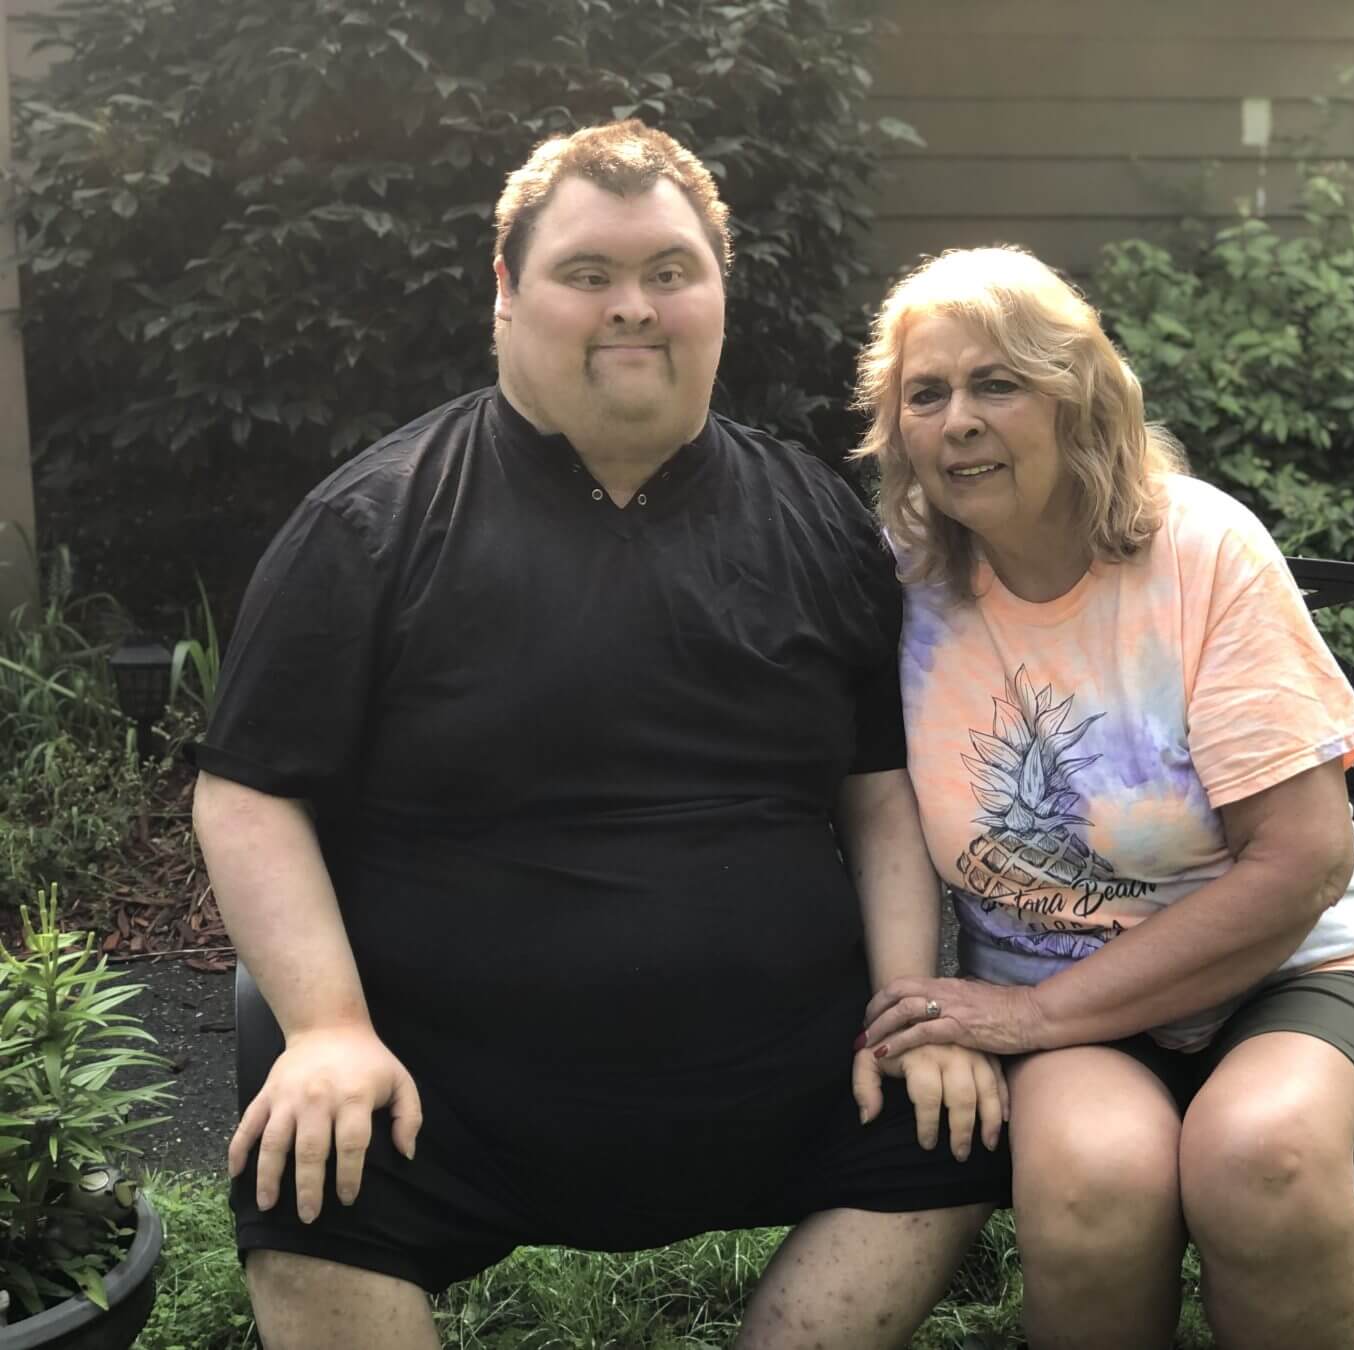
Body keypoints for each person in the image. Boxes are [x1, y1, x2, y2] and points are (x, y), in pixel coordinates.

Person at [190, 122, 1010, 1350]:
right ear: (507, 296)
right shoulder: (369, 524)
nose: (635, 307)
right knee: (310, 1181)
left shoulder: (816, 523)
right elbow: (249, 792)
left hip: (783, 1070)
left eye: (670, 272)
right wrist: (325, 1030)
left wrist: (907, 998)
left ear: (718, 298)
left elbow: (877, 788)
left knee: (949, 1130)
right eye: (589, 274)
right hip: (441, 1084)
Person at [848, 245, 1354, 1350]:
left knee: (1263, 1159)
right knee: (1089, 1181)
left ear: (1080, 397)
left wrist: (1024, 1020)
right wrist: (945, 1009)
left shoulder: (1202, 548)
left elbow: (1301, 862)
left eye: (997, 383)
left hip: (1290, 970)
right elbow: (880, 818)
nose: (958, 419)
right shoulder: (898, 586)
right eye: (927, 394)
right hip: (1061, 991)